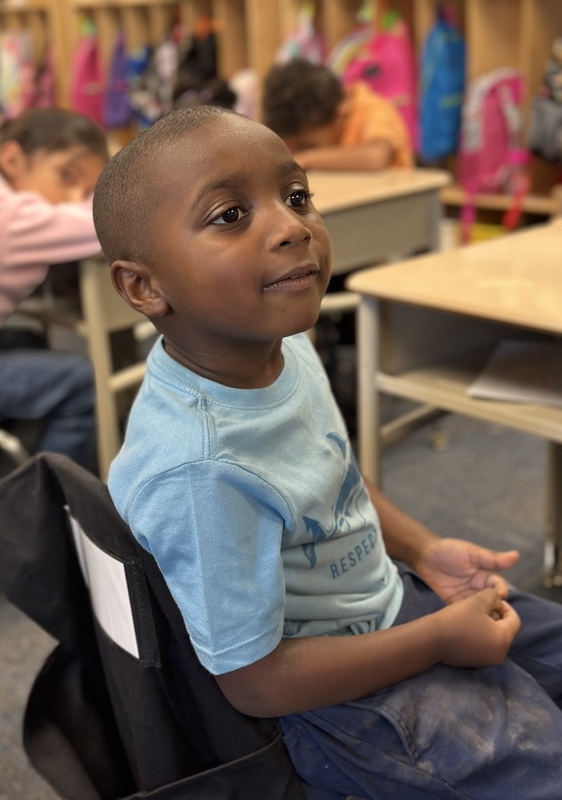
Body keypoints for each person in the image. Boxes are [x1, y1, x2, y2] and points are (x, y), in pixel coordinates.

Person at [92, 105, 562, 799]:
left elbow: (332, 473)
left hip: (386, 601)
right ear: (143, 286)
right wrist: (436, 641)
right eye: (229, 215)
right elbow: (255, 682)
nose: (292, 227)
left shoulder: (279, 347)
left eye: (296, 196)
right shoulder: (200, 470)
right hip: (333, 704)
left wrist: (423, 549)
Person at [0, 107, 109, 469]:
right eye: (66, 176)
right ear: (12, 157)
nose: (73, 196)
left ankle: (0, 464)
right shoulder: (8, 219)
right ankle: (46, 510)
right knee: (81, 381)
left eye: (86, 189)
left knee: (28, 341)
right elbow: (97, 223)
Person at [261, 58, 412, 171]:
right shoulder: (324, 121)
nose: (299, 152)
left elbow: (375, 157)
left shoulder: (373, 108)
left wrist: (304, 159)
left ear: (340, 115)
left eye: (308, 146)